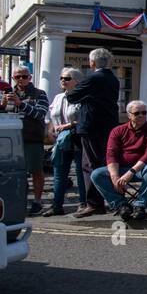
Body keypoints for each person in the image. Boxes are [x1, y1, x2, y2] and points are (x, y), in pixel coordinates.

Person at [66, 47, 120, 218]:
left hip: (91, 126)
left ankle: (95, 204)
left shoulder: (93, 78)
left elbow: (72, 96)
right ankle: (111, 199)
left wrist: (85, 95)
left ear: (92, 62)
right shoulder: (113, 78)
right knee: (106, 163)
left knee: (90, 165)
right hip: (108, 125)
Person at [90, 101, 147, 222]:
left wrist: (131, 172)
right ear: (129, 115)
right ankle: (121, 204)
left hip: (141, 169)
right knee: (97, 174)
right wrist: (114, 176)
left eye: (144, 113)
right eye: (137, 113)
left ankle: (140, 204)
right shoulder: (118, 131)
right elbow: (111, 154)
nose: (141, 115)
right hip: (121, 168)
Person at [4, 66, 49, 214]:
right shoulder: (8, 93)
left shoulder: (39, 94)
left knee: (36, 170)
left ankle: (37, 201)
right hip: (13, 140)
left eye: (24, 76)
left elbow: (40, 114)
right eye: (18, 77)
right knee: (16, 172)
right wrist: (1, 105)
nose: (21, 79)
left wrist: (21, 104)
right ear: (13, 78)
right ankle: (19, 200)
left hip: (32, 137)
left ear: (30, 78)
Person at [44, 67, 86, 215]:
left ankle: (83, 204)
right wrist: (50, 131)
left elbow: (83, 119)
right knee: (59, 173)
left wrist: (67, 125)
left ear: (77, 81)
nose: (63, 80)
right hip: (60, 140)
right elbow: (51, 117)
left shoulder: (83, 98)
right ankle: (57, 205)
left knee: (81, 172)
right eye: (61, 78)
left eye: (67, 78)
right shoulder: (58, 97)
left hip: (77, 138)